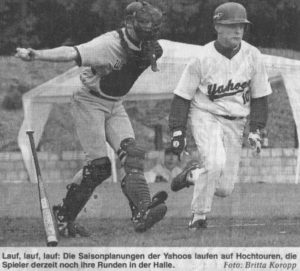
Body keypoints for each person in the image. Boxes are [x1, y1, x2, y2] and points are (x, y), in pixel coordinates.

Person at [16, 1, 167, 237]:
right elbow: (71, 52)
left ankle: (142, 212)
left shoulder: (149, 46)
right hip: (89, 101)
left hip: (115, 104)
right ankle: (64, 217)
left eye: (152, 23)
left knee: (133, 155)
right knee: (99, 168)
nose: (150, 27)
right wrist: (37, 55)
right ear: (129, 23)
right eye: (144, 22)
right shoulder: (108, 44)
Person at [168, 2, 272, 230]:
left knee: (225, 188)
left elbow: (261, 97)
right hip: (206, 115)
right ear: (217, 26)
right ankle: (198, 217)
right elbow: (182, 97)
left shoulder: (253, 55)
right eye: (232, 25)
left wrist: (256, 130)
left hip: (236, 122)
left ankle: (193, 174)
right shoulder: (201, 57)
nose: (238, 30)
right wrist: (177, 131)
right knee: (215, 163)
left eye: (241, 26)